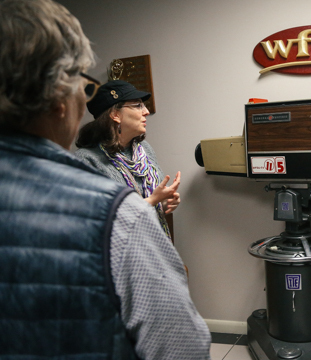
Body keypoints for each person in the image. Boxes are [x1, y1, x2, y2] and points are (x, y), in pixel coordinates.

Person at [0, 0, 211, 358]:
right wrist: (150, 205)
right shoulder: (100, 188)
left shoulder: (146, 154)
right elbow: (181, 347)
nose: (145, 112)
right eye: (82, 88)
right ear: (59, 99)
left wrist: (165, 202)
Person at [75, 80, 180, 240]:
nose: (146, 111)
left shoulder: (144, 149)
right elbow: (96, 220)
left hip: (155, 245)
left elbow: (153, 204)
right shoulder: (87, 160)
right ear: (115, 114)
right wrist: (151, 200)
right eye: (138, 105)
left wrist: (165, 202)